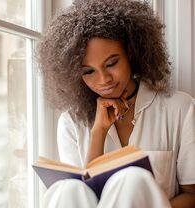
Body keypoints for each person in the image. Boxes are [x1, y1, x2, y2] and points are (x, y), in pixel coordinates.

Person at [36, 0, 195, 207]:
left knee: (131, 180)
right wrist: (98, 132)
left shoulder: (179, 108)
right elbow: (83, 195)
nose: (104, 80)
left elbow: (192, 195)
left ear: (130, 53)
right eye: (88, 71)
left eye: (111, 63)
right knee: (67, 188)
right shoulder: (71, 122)